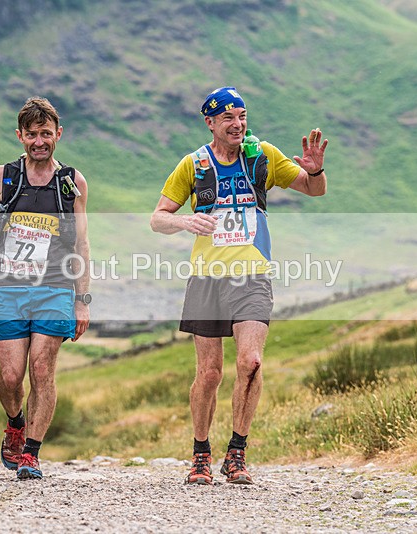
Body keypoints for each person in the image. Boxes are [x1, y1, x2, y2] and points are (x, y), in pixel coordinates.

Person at [150, 86, 328, 485]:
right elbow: (158, 217)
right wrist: (184, 221)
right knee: (209, 373)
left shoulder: (262, 155)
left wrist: (315, 170)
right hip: (207, 278)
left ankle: (237, 453)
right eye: (228, 118)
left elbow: (313, 189)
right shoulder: (194, 164)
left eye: (242, 116)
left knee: (251, 362)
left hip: (253, 276)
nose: (237, 124)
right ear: (210, 123)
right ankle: (200, 453)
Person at [0, 96, 91, 480]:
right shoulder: (1, 178)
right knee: (11, 377)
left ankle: (31, 453)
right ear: (20, 136)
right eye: (32, 134)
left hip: (55, 287)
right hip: (10, 288)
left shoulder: (72, 183)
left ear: (58, 134)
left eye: (46, 134)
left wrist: (82, 300)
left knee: (42, 369)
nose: (39, 141)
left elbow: (82, 243)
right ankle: (15, 422)